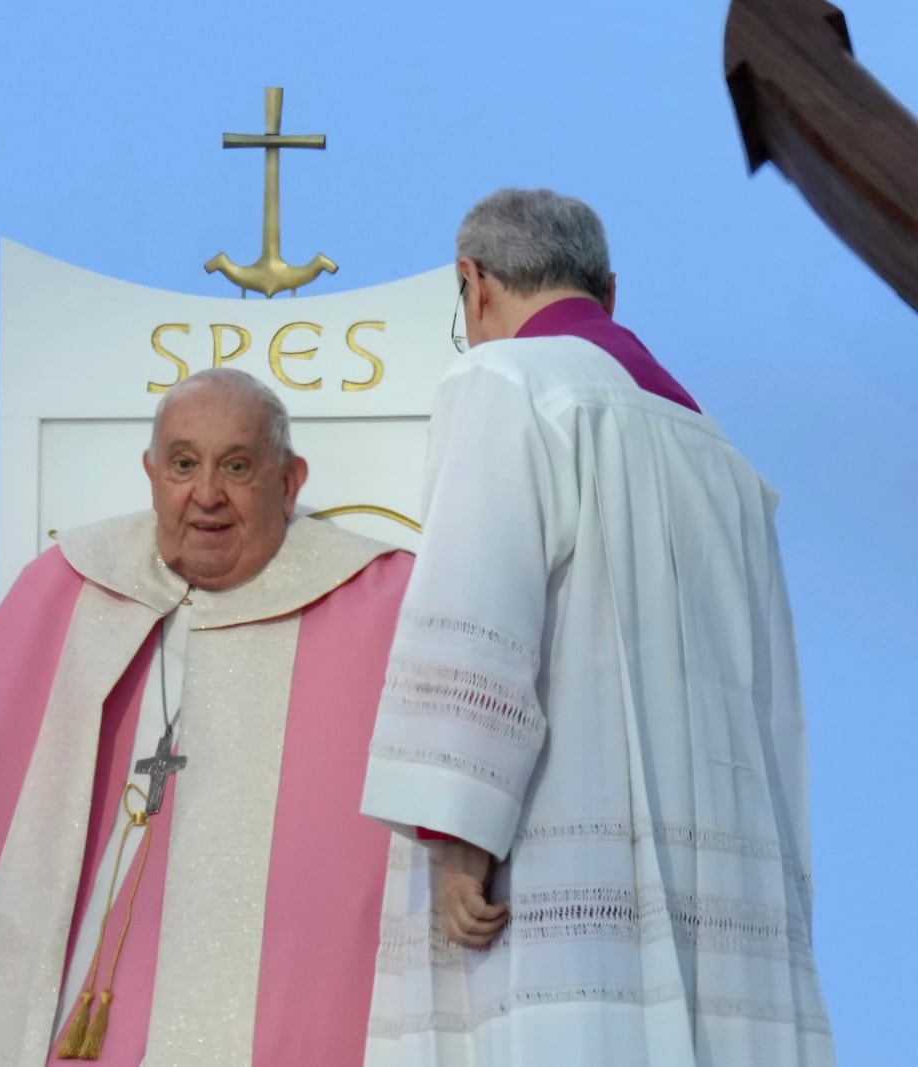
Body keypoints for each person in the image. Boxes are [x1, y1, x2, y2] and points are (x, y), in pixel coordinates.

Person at [0, 367, 413, 1066]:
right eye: (184, 464)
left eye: (237, 466)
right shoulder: (73, 580)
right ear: (151, 474)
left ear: (290, 481)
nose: (206, 494)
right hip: (80, 950)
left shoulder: (376, 600)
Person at [361, 188, 834, 1066]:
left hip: (558, 865)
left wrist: (456, 833)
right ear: (608, 292)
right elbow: (774, 702)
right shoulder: (717, 449)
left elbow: (478, 604)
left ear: (473, 283)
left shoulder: (504, 382)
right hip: (721, 877)